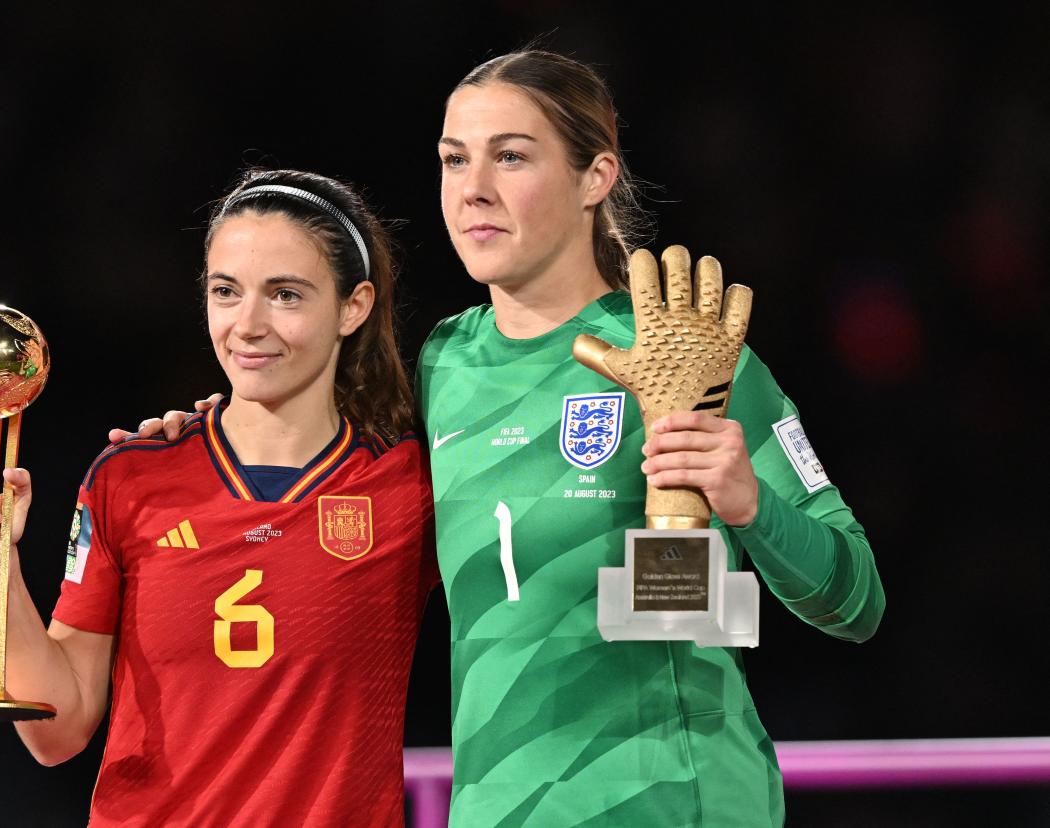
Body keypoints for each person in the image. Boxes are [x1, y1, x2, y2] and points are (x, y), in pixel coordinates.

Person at [124, 50, 885, 827]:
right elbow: (317, 502)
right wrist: (198, 451)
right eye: (455, 160)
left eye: (511, 156)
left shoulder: (685, 350)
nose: (473, 189)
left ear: (595, 177)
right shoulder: (443, 363)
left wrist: (751, 505)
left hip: (677, 807)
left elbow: (856, 600)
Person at [0, 170, 437, 826]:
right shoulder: (129, 478)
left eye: (285, 295)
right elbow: (56, 733)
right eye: (226, 292)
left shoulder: (410, 486)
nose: (248, 325)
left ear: (354, 305)